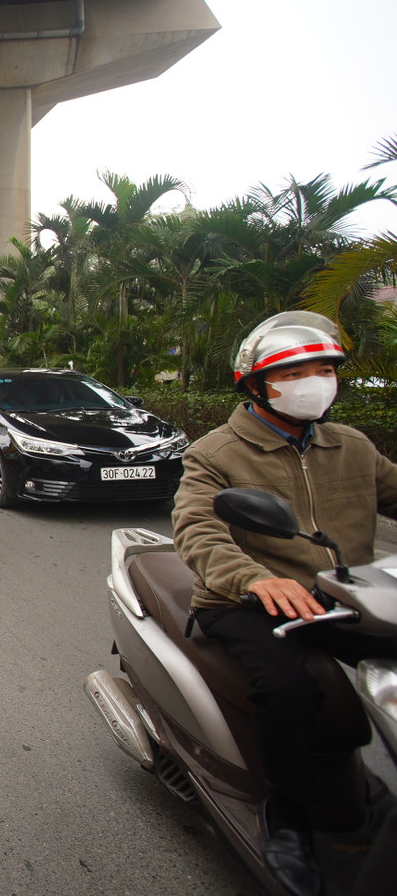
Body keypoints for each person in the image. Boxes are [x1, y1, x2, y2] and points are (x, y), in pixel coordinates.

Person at [172, 311, 397, 896]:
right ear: (256, 384)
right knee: (288, 687)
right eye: (295, 373)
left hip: (346, 595)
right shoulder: (216, 452)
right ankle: (287, 812)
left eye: (324, 370)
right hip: (244, 600)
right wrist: (254, 579)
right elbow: (197, 527)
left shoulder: (352, 445)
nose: (314, 383)